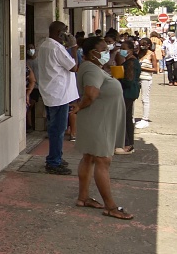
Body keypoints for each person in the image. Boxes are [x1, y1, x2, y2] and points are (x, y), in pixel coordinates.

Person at [70, 37, 133, 220]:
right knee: (103, 160)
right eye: (104, 49)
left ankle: (83, 198)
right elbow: (91, 93)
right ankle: (111, 206)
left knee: (89, 157)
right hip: (97, 121)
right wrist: (80, 107)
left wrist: (115, 57)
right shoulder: (90, 68)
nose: (109, 51)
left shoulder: (95, 68)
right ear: (92, 52)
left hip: (98, 120)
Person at [37, 21, 78, 175]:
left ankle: (56, 157)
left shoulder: (46, 45)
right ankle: (54, 161)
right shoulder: (56, 47)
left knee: (55, 129)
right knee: (58, 130)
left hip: (52, 93)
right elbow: (74, 67)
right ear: (60, 33)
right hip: (59, 94)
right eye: (66, 33)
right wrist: (73, 47)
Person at [115, 41, 141, 155]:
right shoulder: (131, 61)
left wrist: (117, 78)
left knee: (123, 118)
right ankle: (129, 143)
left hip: (127, 93)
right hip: (131, 92)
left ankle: (126, 143)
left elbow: (128, 80)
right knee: (127, 117)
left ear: (130, 50)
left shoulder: (131, 63)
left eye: (124, 48)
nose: (122, 50)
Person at [136, 38, 158, 129]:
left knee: (145, 98)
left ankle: (145, 119)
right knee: (132, 98)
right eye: (140, 44)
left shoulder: (151, 54)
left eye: (144, 44)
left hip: (146, 78)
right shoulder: (138, 53)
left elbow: (155, 69)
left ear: (149, 45)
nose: (142, 46)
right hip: (136, 78)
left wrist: (142, 68)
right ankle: (131, 117)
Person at [26, 44, 40, 131]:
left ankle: (30, 125)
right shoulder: (26, 62)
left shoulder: (39, 60)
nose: (30, 50)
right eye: (28, 48)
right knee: (29, 106)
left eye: (32, 48)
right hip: (29, 86)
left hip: (37, 87)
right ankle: (29, 125)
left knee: (30, 105)